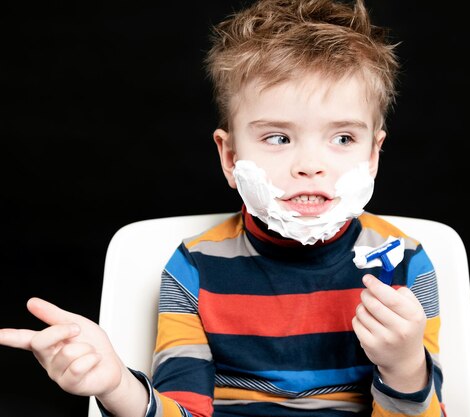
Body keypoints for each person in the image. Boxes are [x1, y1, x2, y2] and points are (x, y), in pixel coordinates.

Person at [0, 0, 445, 416]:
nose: (310, 166)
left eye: (343, 138)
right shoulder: (194, 267)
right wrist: (116, 385)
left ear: (373, 155)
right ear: (230, 158)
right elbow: (185, 409)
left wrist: (403, 366)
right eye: (278, 138)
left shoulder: (404, 263)